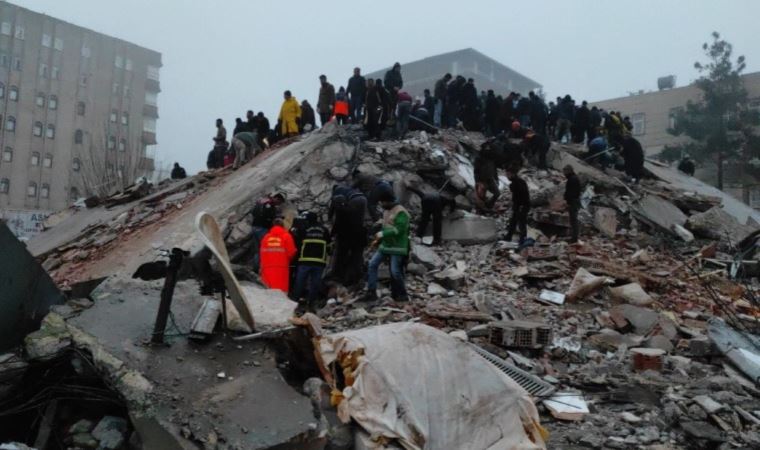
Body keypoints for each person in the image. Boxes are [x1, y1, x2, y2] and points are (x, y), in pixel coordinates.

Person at [361, 191, 410, 302]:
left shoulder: (401, 212)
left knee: (395, 271)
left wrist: (383, 234)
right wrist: (377, 235)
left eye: (382, 202)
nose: (381, 204)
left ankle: (403, 294)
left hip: (397, 247)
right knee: (372, 264)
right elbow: (385, 224)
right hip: (386, 245)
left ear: (388, 201)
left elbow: (399, 230)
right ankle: (371, 291)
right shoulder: (387, 210)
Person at [328, 185, 367, 287]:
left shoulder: (341, 210)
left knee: (341, 256)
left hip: (347, 237)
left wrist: (332, 233)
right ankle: (357, 277)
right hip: (359, 235)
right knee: (356, 257)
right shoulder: (352, 212)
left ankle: (338, 276)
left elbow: (337, 221)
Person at [291, 212, 330, 311]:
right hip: (319, 261)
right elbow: (329, 243)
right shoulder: (324, 230)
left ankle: (294, 302)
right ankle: (311, 303)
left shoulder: (304, 229)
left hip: (305, 260)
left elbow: (298, 242)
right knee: (315, 283)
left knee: (300, 282)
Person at [250, 193, 286, 272]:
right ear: (277, 198)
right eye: (279, 202)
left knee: (257, 250)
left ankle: (255, 268)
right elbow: (268, 218)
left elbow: (253, 212)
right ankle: (263, 268)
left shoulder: (262, 201)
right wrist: (276, 218)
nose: (279, 204)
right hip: (262, 229)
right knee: (265, 248)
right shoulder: (270, 205)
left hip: (254, 227)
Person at [259, 218, 297, 293]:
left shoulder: (266, 237)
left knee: (267, 291)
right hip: (281, 268)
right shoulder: (287, 236)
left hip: (267, 268)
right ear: (283, 226)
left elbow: (261, 252)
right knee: (281, 292)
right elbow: (291, 252)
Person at [505, 166, 530, 243]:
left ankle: (523, 239)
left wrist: (520, 206)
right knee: (513, 221)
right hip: (518, 206)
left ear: (513, 174)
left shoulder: (518, 183)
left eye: (508, 174)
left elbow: (522, 195)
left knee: (521, 223)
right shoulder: (516, 182)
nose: (507, 176)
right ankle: (508, 236)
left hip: (522, 206)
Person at [474, 144, 500, 211]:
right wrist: (478, 182)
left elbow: (494, 170)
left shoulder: (491, 159)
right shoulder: (479, 158)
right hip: (481, 180)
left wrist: (496, 179)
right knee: (481, 197)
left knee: (497, 193)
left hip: (490, 179)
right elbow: (476, 171)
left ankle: (489, 205)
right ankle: (479, 210)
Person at [563, 165, 582, 243]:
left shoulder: (572, 179)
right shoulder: (573, 178)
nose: (564, 173)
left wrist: (568, 202)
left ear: (569, 171)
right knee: (573, 220)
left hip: (573, 202)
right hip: (574, 201)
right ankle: (573, 237)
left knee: (574, 220)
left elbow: (572, 193)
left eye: (565, 171)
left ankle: (574, 238)